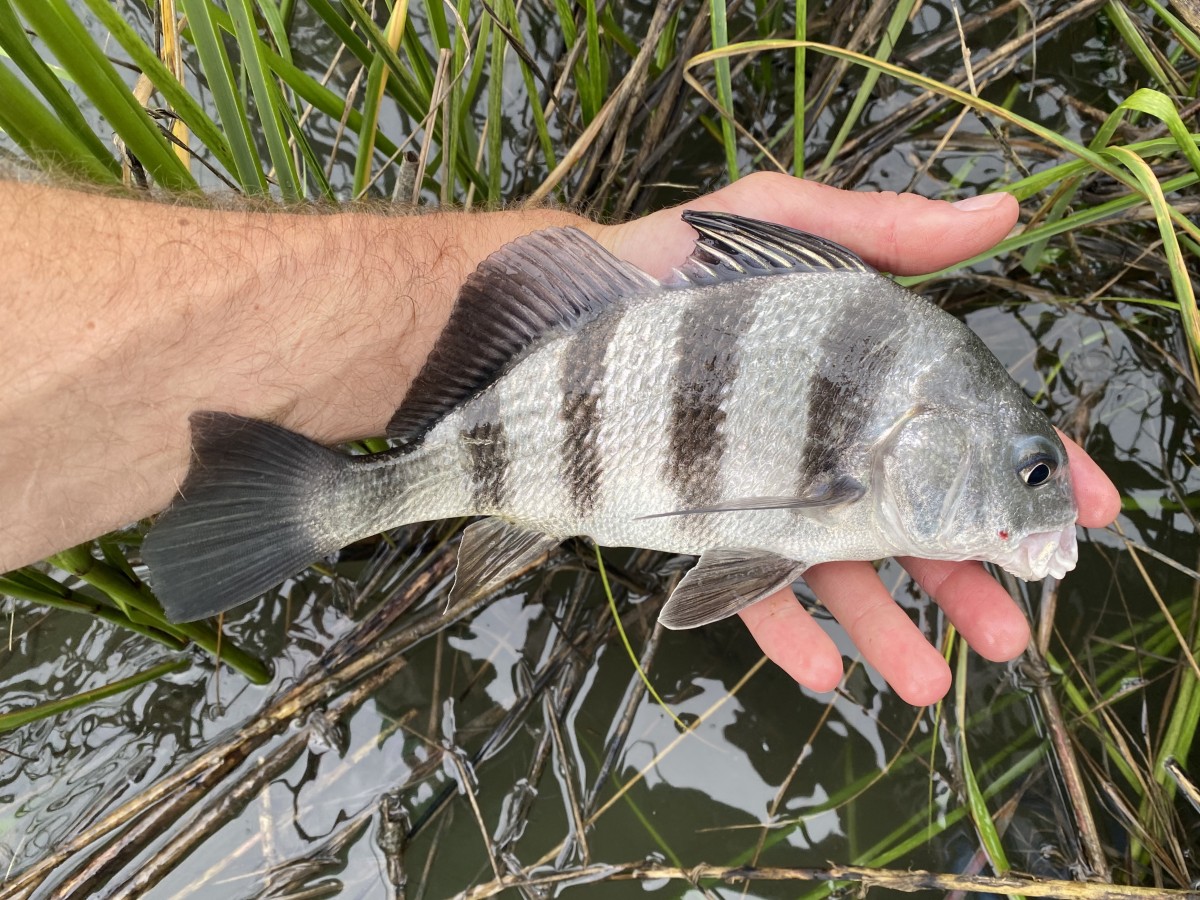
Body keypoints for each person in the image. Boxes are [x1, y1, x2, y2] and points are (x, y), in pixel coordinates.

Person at [0, 172, 1120, 706]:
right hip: (528, 435)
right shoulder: (877, 433)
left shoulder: (893, 407)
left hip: (551, 455)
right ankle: (328, 499)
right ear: (927, 436)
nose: (1041, 496)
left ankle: (326, 498)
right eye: (1031, 471)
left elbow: (747, 543)